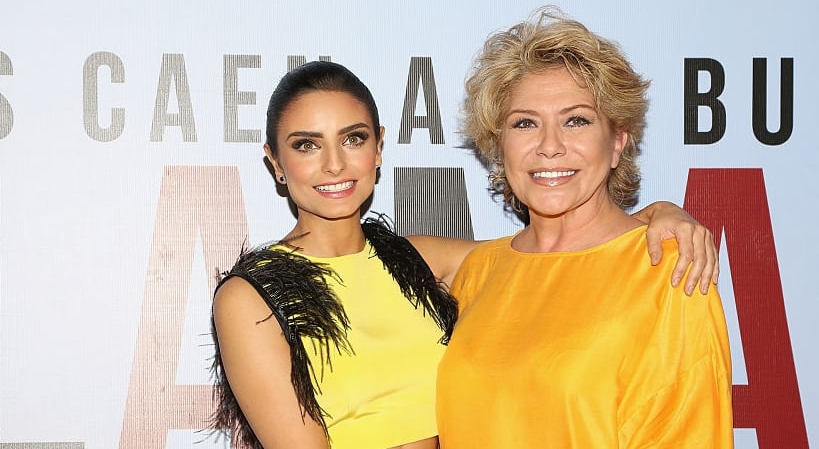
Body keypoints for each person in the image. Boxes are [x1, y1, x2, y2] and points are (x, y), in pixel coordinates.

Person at [210, 61, 720, 449]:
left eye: (353, 138)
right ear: (275, 163)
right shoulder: (252, 298)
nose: (334, 164)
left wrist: (661, 214)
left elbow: (562, 257)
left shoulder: (421, 261)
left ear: (379, 148)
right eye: (305, 145)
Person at [435, 7, 733, 448]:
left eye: (576, 120)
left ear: (617, 141)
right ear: (499, 144)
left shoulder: (669, 271)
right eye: (525, 123)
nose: (550, 146)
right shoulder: (477, 270)